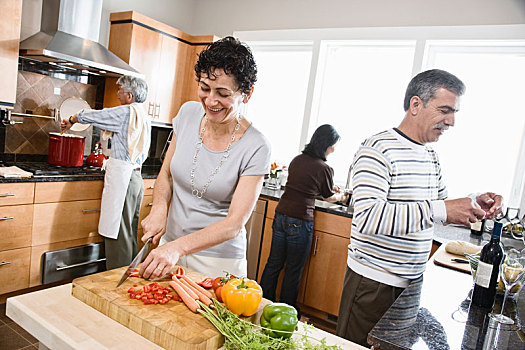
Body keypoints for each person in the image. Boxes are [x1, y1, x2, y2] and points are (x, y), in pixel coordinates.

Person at [336, 69, 503, 346]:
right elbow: (368, 218)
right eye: (445, 110)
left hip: (411, 285)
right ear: (416, 105)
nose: (451, 121)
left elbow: (438, 207)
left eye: (454, 112)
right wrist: (443, 209)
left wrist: (473, 201)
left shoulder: (430, 154)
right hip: (374, 284)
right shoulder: (377, 149)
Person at [139, 36, 271, 280]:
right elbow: (166, 173)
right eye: (204, 88)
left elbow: (234, 224)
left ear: (247, 93)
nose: (210, 101)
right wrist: (159, 207)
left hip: (217, 261)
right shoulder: (188, 113)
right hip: (169, 248)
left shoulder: (256, 146)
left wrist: (177, 247)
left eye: (223, 93)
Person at [60, 75, 151, 270]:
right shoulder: (141, 114)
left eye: (119, 91)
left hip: (124, 178)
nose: (117, 94)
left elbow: (96, 116)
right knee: (127, 232)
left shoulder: (126, 112)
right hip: (134, 178)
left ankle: (115, 281)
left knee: (118, 232)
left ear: (129, 94)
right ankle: (127, 278)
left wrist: (72, 118)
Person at [260, 124, 348, 317]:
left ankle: (263, 304)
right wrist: (341, 197)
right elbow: (327, 196)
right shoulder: (324, 168)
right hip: (300, 220)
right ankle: (288, 312)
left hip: (281, 213)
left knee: (273, 263)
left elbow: (305, 187)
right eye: (333, 145)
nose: (334, 149)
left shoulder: (297, 159)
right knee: (293, 269)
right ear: (326, 144)